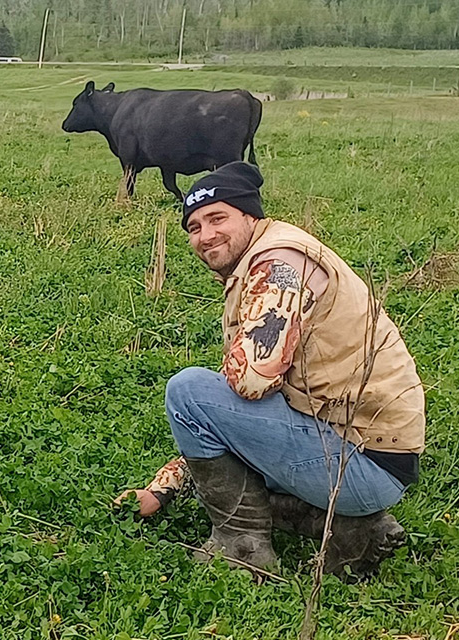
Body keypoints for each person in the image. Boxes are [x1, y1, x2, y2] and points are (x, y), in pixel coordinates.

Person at [117, 162, 424, 582]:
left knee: (187, 390)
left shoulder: (277, 265)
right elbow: (240, 415)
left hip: (361, 464)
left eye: (217, 218)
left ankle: (241, 546)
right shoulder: (278, 252)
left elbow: (250, 382)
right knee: (213, 412)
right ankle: (353, 529)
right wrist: (164, 486)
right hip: (368, 455)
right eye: (193, 227)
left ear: (250, 215)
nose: (205, 235)